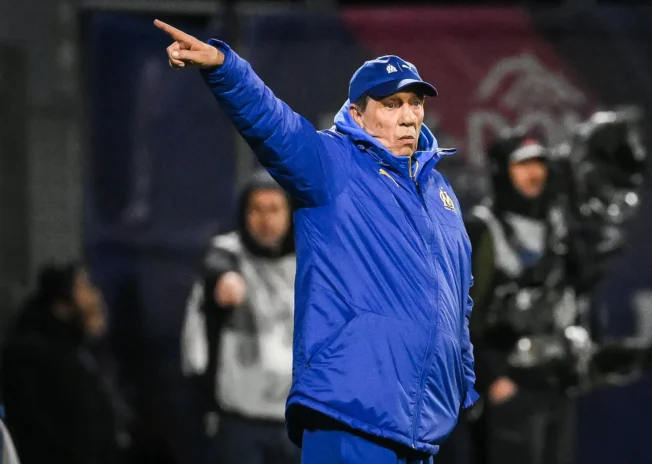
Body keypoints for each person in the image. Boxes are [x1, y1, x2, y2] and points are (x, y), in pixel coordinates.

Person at [155, 19, 478, 464]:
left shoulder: (440, 193)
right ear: (358, 114)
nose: (408, 116)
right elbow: (274, 126)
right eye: (391, 104)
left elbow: (457, 298)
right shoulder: (334, 165)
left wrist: (462, 380)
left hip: (419, 429)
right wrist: (224, 68)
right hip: (350, 415)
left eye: (415, 103)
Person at [462, 132, 576, 464]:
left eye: (539, 163)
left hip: (555, 383)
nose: (534, 173)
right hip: (506, 386)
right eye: (522, 164)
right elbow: (457, 313)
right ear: (502, 171)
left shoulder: (558, 227)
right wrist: (492, 376)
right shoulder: (481, 229)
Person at [181, 170, 299, 464]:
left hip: (297, 421)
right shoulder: (228, 253)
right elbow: (216, 264)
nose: (265, 220)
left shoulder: (310, 258)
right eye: (256, 209)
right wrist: (224, 280)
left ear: (289, 213)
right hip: (241, 421)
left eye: (274, 209)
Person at [1, 263, 130, 464]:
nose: (96, 296)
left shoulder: (77, 356)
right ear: (61, 306)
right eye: (84, 287)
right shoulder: (33, 358)